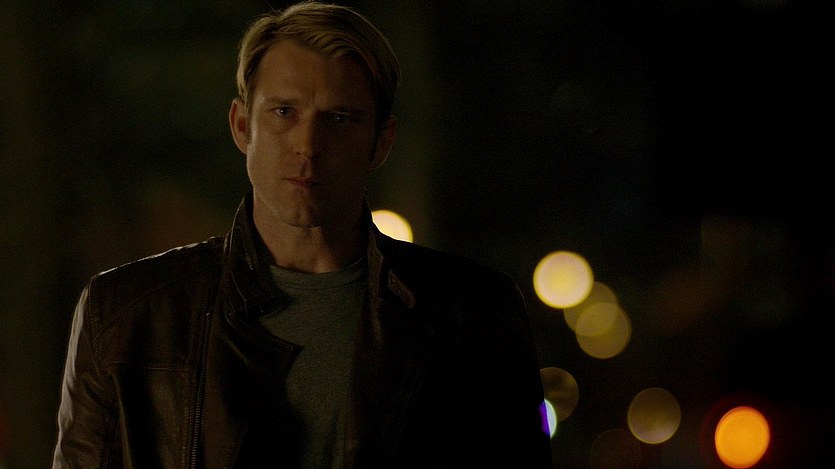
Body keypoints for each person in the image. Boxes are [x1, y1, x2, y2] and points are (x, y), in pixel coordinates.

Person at [52, 1, 553, 467]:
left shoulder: (475, 314)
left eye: (339, 119)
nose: (308, 145)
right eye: (284, 112)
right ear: (242, 126)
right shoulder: (126, 315)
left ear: (380, 143)